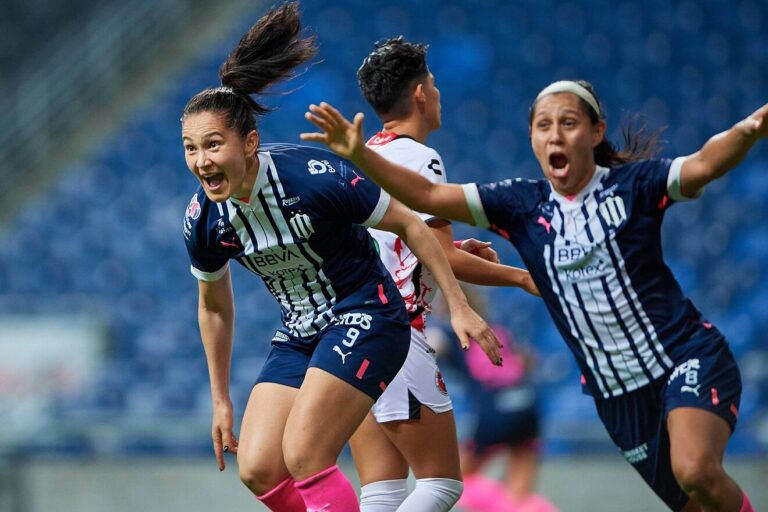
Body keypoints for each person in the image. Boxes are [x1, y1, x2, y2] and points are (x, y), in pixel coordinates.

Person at [301, 82, 768, 511]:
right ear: (532, 139)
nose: (556, 135)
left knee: (696, 471)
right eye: (544, 126)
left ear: (595, 131)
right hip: (616, 394)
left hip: (683, 356)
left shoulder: (636, 186)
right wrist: (358, 153)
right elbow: (425, 193)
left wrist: (749, 130)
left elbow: (705, 162)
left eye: (569, 123)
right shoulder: (522, 204)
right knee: (694, 504)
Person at [180, 4, 501, 512]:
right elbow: (214, 306)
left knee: (306, 453)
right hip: (301, 332)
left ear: (250, 142)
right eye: (191, 148)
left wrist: (459, 306)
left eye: (213, 145)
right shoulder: (203, 219)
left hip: (367, 313)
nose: (201, 161)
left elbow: (410, 224)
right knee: (259, 468)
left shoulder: (311, 177)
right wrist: (221, 400)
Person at [348, 37, 539, 512]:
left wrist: (444, 252)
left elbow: (410, 245)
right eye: (432, 82)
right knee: (441, 485)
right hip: (396, 329)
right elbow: (442, 254)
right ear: (418, 94)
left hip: (349, 336)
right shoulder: (419, 158)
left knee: (382, 492)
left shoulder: (365, 155)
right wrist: (521, 278)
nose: (437, 92)